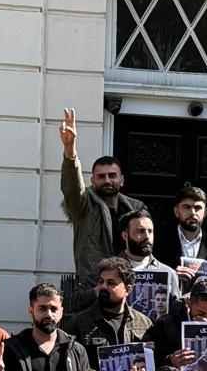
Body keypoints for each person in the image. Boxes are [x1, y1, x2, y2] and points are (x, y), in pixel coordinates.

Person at [57, 107, 147, 288]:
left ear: (122, 180)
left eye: (112, 176)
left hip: (130, 286)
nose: (107, 180)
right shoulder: (83, 204)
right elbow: (72, 189)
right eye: (101, 176)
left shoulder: (136, 207)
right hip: (94, 287)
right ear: (92, 180)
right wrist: (70, 152)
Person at [2, 283, 92, 371]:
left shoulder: (76, 350)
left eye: (53, 309)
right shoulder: (12, 349)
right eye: (42, 308)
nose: (49, 314)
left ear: (61, 312)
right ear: (31, 311)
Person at [63, 255, 153, 355]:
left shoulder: (144, 324)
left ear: (128, 289)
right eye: (101, 281)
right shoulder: (79, 323)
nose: (103, 286)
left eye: (111, 283)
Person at [156, 183, 207, 284]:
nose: (193, 212)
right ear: (176, 211)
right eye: (187, 207)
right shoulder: (160, 241)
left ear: (205, 213)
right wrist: (172, 276)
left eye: (197, 208)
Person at [118, 209, 182, 299]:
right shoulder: (110, 270)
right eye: (141, 231)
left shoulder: (168, 273)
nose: (147, 236)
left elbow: (176, 307)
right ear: (125, 235)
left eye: (150, 231)